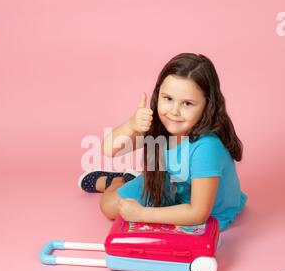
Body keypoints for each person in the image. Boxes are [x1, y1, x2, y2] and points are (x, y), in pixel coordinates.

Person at [78, 53, 248, 231]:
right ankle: (115, 181)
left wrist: (141, 214)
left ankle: (128, 179)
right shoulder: (160, 126)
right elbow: (108, 150)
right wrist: (131, 125)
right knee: (109, 206)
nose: (174, 111)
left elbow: (198, 213)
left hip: (203, 211)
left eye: (187, 103)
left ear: (208, 105)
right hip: (173, 187)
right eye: (168, 99)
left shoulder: (207, 147)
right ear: (158, 95)